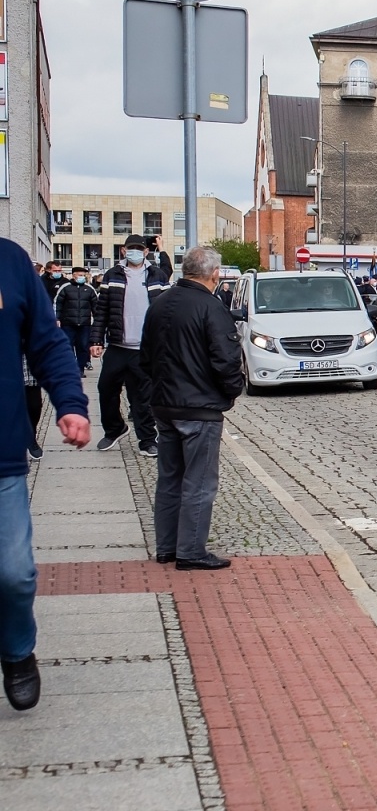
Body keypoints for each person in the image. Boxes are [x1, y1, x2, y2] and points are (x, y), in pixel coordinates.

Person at [1, 236, 92, 710]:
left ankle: (17, 651)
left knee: (13, 574)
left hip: (2, 454)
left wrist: (70, 404)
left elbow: (47, 342)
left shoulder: (10, 262)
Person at [139, 247, 243, 570]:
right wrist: (232, 390)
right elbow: (226, 360)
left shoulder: (158, 305)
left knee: (169, 479)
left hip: (165, 404)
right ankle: (191, 551)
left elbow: (145, 358)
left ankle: (167, 547)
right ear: (214, 275)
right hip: (199, 407)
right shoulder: (211, 308)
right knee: (199, 482)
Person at [90, 235, 169, 456]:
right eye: (130, 248)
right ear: (124, 251)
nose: (135, 252)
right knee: (106, 389)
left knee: (141, 397)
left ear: (146, 252)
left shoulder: (158, 275)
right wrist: (96, 340)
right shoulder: (112, 275)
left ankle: (147, 440)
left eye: (139, 249)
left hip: (144, 349)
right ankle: (114, 429)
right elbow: (102, 310)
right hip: (117, 345)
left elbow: (167, 312)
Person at [54, 266, 96, 376]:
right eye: (80, 275)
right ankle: (71, 368)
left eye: (84, 275)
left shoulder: (89, 289)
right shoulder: (65, 288)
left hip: (84, 323)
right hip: (68, 323)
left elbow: (96, 306)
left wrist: (97, 321)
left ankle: (80, 369)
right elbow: (58, 304)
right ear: (74, 275)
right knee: (68, 346)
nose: (82, 277)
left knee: (83, 346)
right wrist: (57, 318)